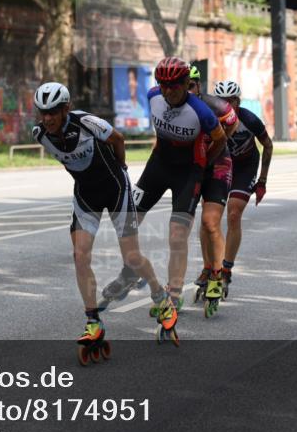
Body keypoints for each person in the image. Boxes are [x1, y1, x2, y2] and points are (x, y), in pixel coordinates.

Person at [31, 82, 164, 360]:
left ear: (66, 108)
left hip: (116, 189)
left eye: (53, 111)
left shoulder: (87, 122)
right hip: (86, 195)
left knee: (132, 256)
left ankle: (160, 295)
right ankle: (93, 321)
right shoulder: (40, 135)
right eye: (43, 112)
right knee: (80, 256)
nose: (47, 118)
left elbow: (118, 139)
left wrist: (122, 167)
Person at [102, 57, 228, 329]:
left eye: (174, 85)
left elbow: (220, 138)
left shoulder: (201, 111)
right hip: (158, 166)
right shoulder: (152, 96)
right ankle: (131, 271)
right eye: (163, 85)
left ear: (186, 83)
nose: (168, 91)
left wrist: (204, 164)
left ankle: (174, 294)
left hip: (188, 173)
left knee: (177, 235)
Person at [186, 66, 238, 312]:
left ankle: (217, 274)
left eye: (190, 85)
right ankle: (208, 266)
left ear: (198, 85)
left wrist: (218, 145)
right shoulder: (173, 108)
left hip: (218, 163)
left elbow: (232, 123)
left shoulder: (214, 105)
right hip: (194, 166)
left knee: (210, 221)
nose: (185, 91)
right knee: (194, 223)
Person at [213, 80, 273, 293]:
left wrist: (262, 180)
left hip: (246, 167)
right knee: (211, 218)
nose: (226, 105)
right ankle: (210, 267)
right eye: (222, 101)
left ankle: (226, 269)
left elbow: (268, 145)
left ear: (238, 102)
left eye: (231, 101)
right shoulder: (211, 118)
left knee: (233, 214)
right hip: (223, 164)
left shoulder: (249, 119)